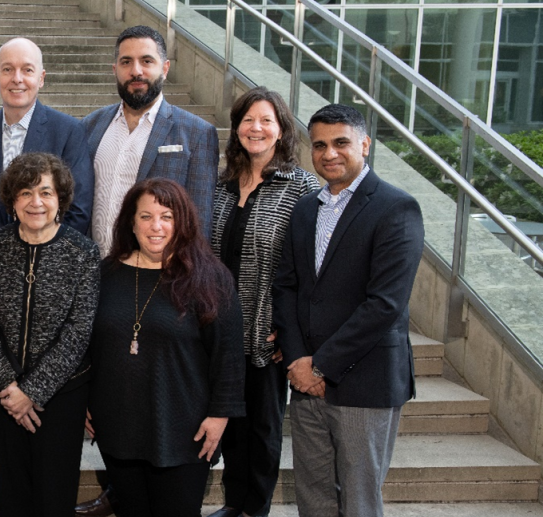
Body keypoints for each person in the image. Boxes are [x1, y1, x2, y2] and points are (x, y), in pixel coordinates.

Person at [273, 104, 424, 517]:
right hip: (307, 382)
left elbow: (385, 304)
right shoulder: (305, 209)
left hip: (365, 381)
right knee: (314, 494)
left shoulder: (396, 208)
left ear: (365, 144)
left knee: (359, 500)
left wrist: (320, 365)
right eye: (319, 145)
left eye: (341, 142)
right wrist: (300, 359)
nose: (329, 153)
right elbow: (286, 287)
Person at [87, 178, 245, 517]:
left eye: (167, 216)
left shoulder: (210, 277)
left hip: (184, 428)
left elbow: (228, 355)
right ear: (130, 221)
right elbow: (89, 346)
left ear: (183, 221)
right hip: (118, 424)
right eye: (145, 216)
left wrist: (220, 415)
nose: (155, 226)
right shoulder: (106, 273)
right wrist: (86, 401)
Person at [207, 88, 319, 517]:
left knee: (262, 426)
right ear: (236, 128)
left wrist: (290, 329)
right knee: (229, 421)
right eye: (248, 120)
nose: (256, 128)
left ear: (282, 129)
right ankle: (234, 504)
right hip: (218, 326)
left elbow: (309, 268)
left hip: (265, 329)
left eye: (266, 120)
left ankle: (254, 508)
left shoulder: (301, 188)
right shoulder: (220, 185)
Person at [0, 152, 101, 517]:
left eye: (46, 192)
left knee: (54, 497)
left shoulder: (83, 253)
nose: (36, 202)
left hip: (61, 398)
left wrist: (33, 391)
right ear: (12, 200)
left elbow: (79, 332)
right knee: (12, 497)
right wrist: (11, 387)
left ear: (60, 199)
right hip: (5, 394)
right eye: (26, 192)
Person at [82, 25, 220, 255]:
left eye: (147, 61)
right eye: (126, 62)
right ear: (115, 69)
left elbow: (199, 222)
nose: (136, 71)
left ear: (165, 68)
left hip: (158, 276)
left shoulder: (196, 133)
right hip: (94, 272)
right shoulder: (90, 126)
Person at [0, 38, 93, 241]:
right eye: (8, 69)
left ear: (41, 78)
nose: (17, 79)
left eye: (27, 70)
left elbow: (78, 210)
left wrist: (40, 260)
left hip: (52, 265)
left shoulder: (68, 131)